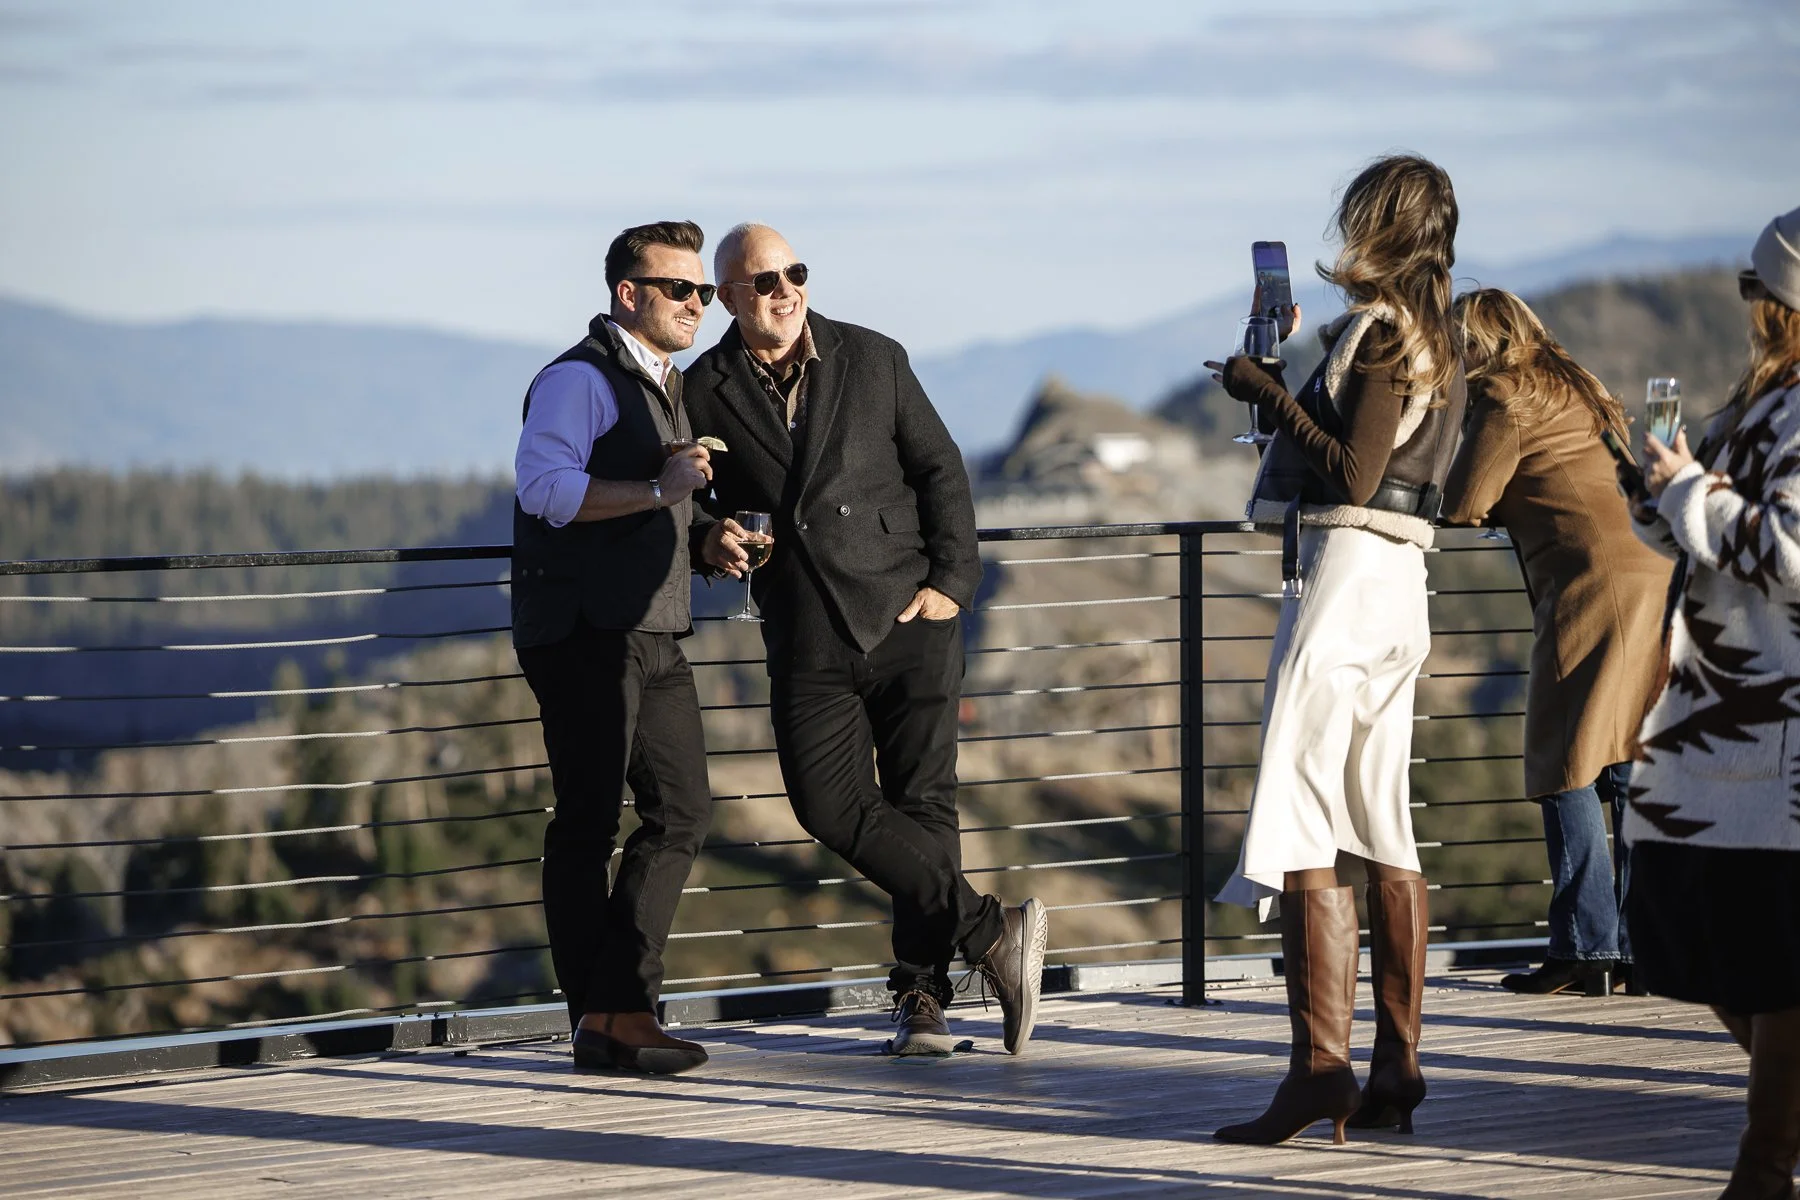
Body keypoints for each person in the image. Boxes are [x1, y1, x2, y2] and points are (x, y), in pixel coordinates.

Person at [684, 223, 1048, 1057]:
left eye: (794, 272)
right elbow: (691, 497)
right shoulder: (703, 388)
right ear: (728, 297)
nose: (785, 290)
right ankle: (991, 930)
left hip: (909, 615)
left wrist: (952, 583)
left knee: (923, 805)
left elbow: (940, 469)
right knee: (827, 805)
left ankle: (921, 996)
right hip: (806, 631)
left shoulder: (873, 356)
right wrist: (708, 536)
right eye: (764, 281)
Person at [1207, 155, 1466, 1145]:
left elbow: (1355, 471)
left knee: (1306, 808)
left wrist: (1266, 393)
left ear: (1379, 226)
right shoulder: (1439, 335)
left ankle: (1320, 1070)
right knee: (1379, 814)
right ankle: (1397, 1064)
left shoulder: (1385, 331)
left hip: (1346, 573)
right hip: (1401, 582)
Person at [511, 219, 744, 1075]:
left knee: (680, 811)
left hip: (652, 628)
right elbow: (545, 489)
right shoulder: (579, 379)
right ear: (628, 293)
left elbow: (655, 502)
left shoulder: (663, 381)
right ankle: (606, 1016)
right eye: (680, 289)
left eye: (703, 291)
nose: (697, 304)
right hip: (583, 633)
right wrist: (658, 486)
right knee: (587, 823)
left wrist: (704, 536)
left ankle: (619, 1009)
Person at [1627, 205, 1800, 1199]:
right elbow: (1700, 528)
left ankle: (1764, 1165)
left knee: (1770, 953)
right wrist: (1659, 487)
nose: (1746, 303)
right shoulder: (1763, 403)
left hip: (1777, 730)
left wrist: (1692, 491)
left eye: (1757, 288)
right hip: (1723, 720)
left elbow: (1789, 550)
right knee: (1686, 931)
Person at [1442, 289, 1673, 997]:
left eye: (1458, 342)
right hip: (1654, 569)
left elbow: (1463, 502)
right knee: (1628, 757)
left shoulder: (1504, 393)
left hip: (1593, 583)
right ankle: (1639, 950)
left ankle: (1585, 948)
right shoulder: (1576, 383)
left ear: (1480, 343)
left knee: (1563, 758)